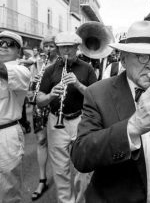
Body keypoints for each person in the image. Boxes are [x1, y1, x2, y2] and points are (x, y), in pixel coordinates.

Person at [71, 21, 150, 203]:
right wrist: (131, 128)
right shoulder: (97, 93)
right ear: (123, 59)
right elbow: (81, 157)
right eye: (142, 56)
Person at [36, 32, 97, 203]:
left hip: (81, 119)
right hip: (56, 121)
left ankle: (82, 199)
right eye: (63, 47)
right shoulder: (50, 70)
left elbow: (95, 97)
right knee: (60, 169)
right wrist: (50, 96)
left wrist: (77, 84)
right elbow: (39, 100)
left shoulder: (87, 68)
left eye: (70, 47)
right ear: (58, 48)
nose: (66, 51)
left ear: (77, 48)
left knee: (84, 167)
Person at [0, 31, 31, 202]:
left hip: (6, 135)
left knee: (8, 192)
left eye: (10, 44)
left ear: (18, 52)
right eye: (1, 42)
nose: (4, 45)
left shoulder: (21, 70)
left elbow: (3, 70)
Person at [31, 35, 59, 201]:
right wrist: (33, 81)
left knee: (57, 142)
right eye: (46, 46)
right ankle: (42, 180)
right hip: (40, 106)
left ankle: (61, 180)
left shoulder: (62, 63)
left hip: (56, 104)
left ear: (57, 47)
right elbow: (31, 86)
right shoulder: (38, 63)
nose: (48, 49)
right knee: (41, 141)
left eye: (51, 46)